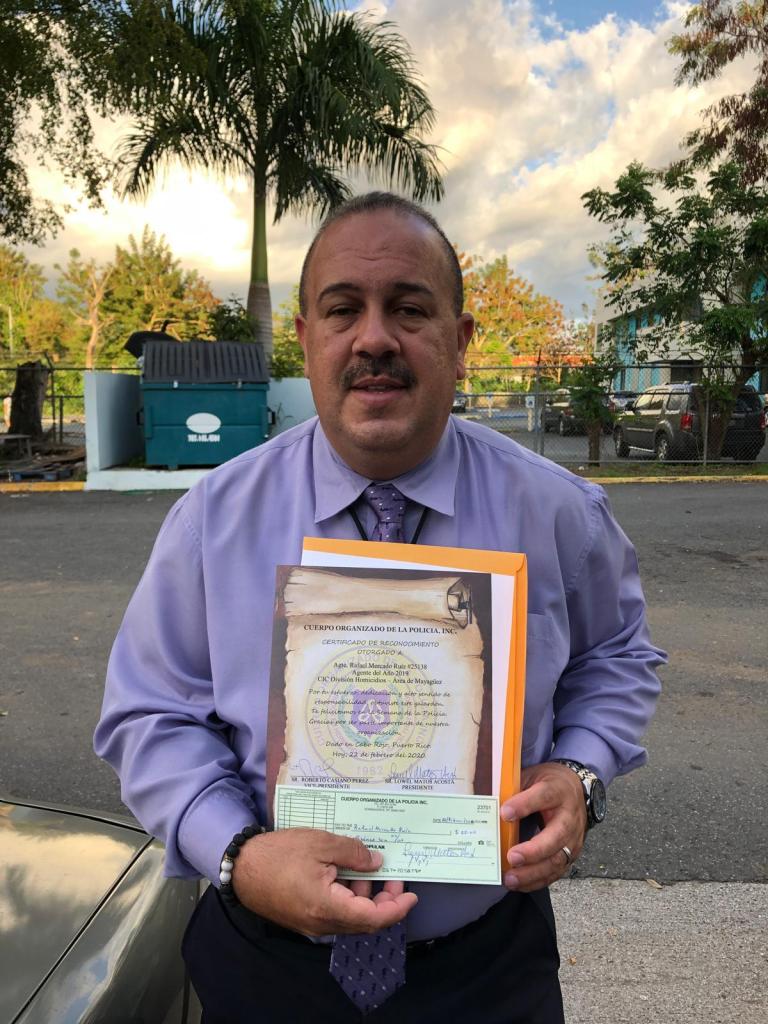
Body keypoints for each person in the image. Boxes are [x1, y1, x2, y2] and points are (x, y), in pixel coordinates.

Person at [95, 192, 665, 1023]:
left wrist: (581, 772)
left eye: (408, 308)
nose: (373, 339)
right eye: (342, 310)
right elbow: (149, 712)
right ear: (304, 339)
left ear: (461, 341)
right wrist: (238, 855)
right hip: (267, 969)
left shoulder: (559, 514)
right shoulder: (212, 522)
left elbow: (617, 655)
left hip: (488, 972)